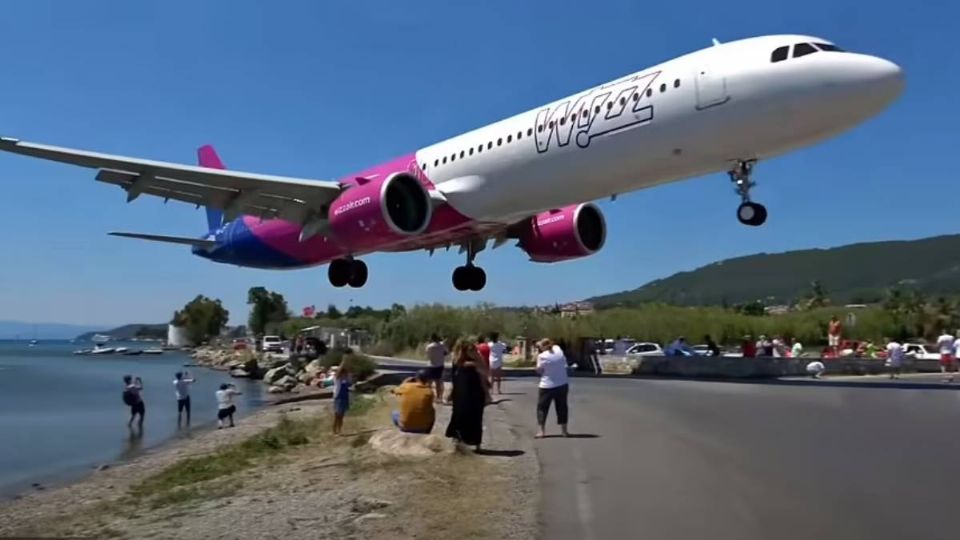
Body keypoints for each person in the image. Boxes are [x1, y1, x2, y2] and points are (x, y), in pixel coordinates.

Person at [445, 339, 487, 451]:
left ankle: (477, 444)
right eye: (470, 349)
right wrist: (450, 392)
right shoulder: (456, 361)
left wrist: (475, 363)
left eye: (474, 349)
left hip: (476, 393)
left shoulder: (477, 359)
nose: (473, 351)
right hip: (460, 393)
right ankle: (457, 442)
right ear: (463, 350)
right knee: (458, 416)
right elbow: (454, 378)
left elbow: (485, 373)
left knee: (476, 418)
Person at [535, 338, 570, 438]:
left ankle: (541, 431)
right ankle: (564, 431)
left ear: (542, 347)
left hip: (547, 385)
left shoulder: (541, 356)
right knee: (562, 407)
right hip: (562, 383)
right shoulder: (558, 350)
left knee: (542, 408)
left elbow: (539, 371)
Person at [425, 334, 448, 403]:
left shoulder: (429, 346)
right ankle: (438, 397)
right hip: (440, 365)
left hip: (431, 365)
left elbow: (428, 355)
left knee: (429, 382)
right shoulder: (442, 345)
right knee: (438, 382)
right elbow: (446, 353)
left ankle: (427, 396)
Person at [332, 359, 351, 435]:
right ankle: (334, 430)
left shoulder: (346, 379)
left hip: (345, 397)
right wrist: (343, 361)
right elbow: (338, 372)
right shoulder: (337, 379)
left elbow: (349, 375)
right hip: (338, 397)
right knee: (337, 415)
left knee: (342, 415)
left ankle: (339, 430)